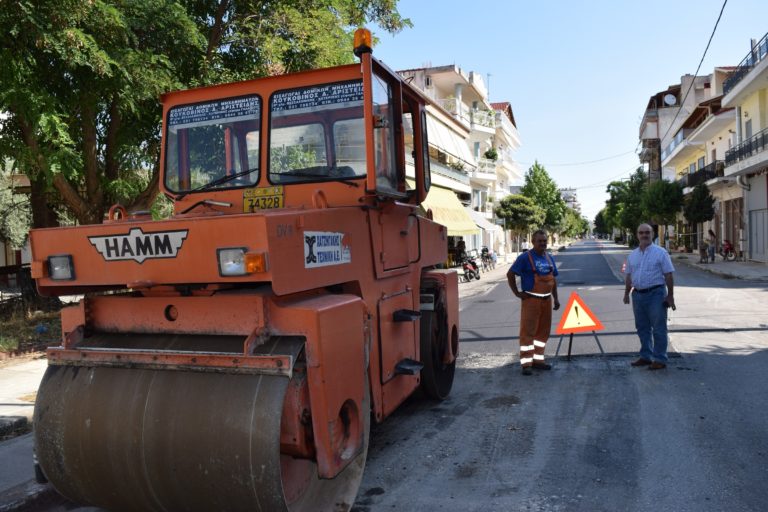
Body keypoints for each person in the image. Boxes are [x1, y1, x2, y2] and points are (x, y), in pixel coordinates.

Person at [507, 229, 561, 376]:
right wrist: (517, 293)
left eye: (544, 241)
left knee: (543, 333)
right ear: (533, 242)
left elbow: (553, 279)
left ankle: (538, 360)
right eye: (540, 241)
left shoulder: (549, 258)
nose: (543, 243)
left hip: (546, 301)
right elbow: (510, 274)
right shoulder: (525, 258)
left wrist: (555, 298)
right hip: (531, 300)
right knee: (528, 332)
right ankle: (526, 364)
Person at [623, 223, 676, 370]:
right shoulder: (632, 255)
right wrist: (626, 293)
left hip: (656, 295)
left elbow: (668, 275)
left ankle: (660, 359)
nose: (644, 235)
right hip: (638, 295)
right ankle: (646, 356)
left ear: (652, 234)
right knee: (642, 327)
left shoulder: (661, 253)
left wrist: (670, 296)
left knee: (658, 328)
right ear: (637, 235)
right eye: (641, 233)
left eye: (647, 232)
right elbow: (629, 275)